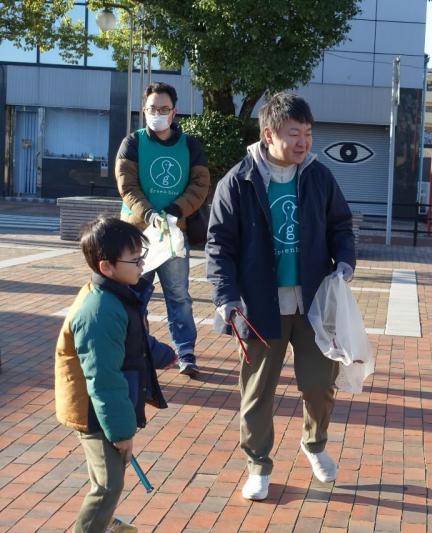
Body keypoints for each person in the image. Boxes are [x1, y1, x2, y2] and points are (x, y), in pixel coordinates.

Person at [206, 92, 355, 501]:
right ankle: (258, 465)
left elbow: (341, 226)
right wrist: (226, 297)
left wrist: (344, 262)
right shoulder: (237, 181)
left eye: (308, 133)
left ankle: (315, 443)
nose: (304, 141)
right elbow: (219, 245)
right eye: (294, 133)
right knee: (257, 392)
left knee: (320, 383)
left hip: (312, 303)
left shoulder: (319, 176)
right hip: (259, 306)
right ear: (269, 133)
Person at [54, 217, 174, 533]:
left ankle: (103, 522)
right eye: (135, 260)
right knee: (108, 483)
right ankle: (94, 526)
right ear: (106, 267)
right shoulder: (99, 310)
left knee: (112, 473)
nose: (142, 265)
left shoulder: (118, 296)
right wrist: (121, 431)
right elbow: (102, 379)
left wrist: (163, 355)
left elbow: (134, 341)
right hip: (94, 412)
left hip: (107, 410)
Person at [115, 81, 211, 377]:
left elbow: (200, 185)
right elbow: (126, 185)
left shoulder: (190, 145)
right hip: (137, 236)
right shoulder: (132, 142)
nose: (158, 113)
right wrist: (148, 213)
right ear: (144, 110)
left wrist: (174, 211)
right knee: (133, 297)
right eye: (152, 108)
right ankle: (134, 350)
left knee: (178, 296)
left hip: (173, 235)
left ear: (174, 111)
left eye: (164, 109)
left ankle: (186, 353)